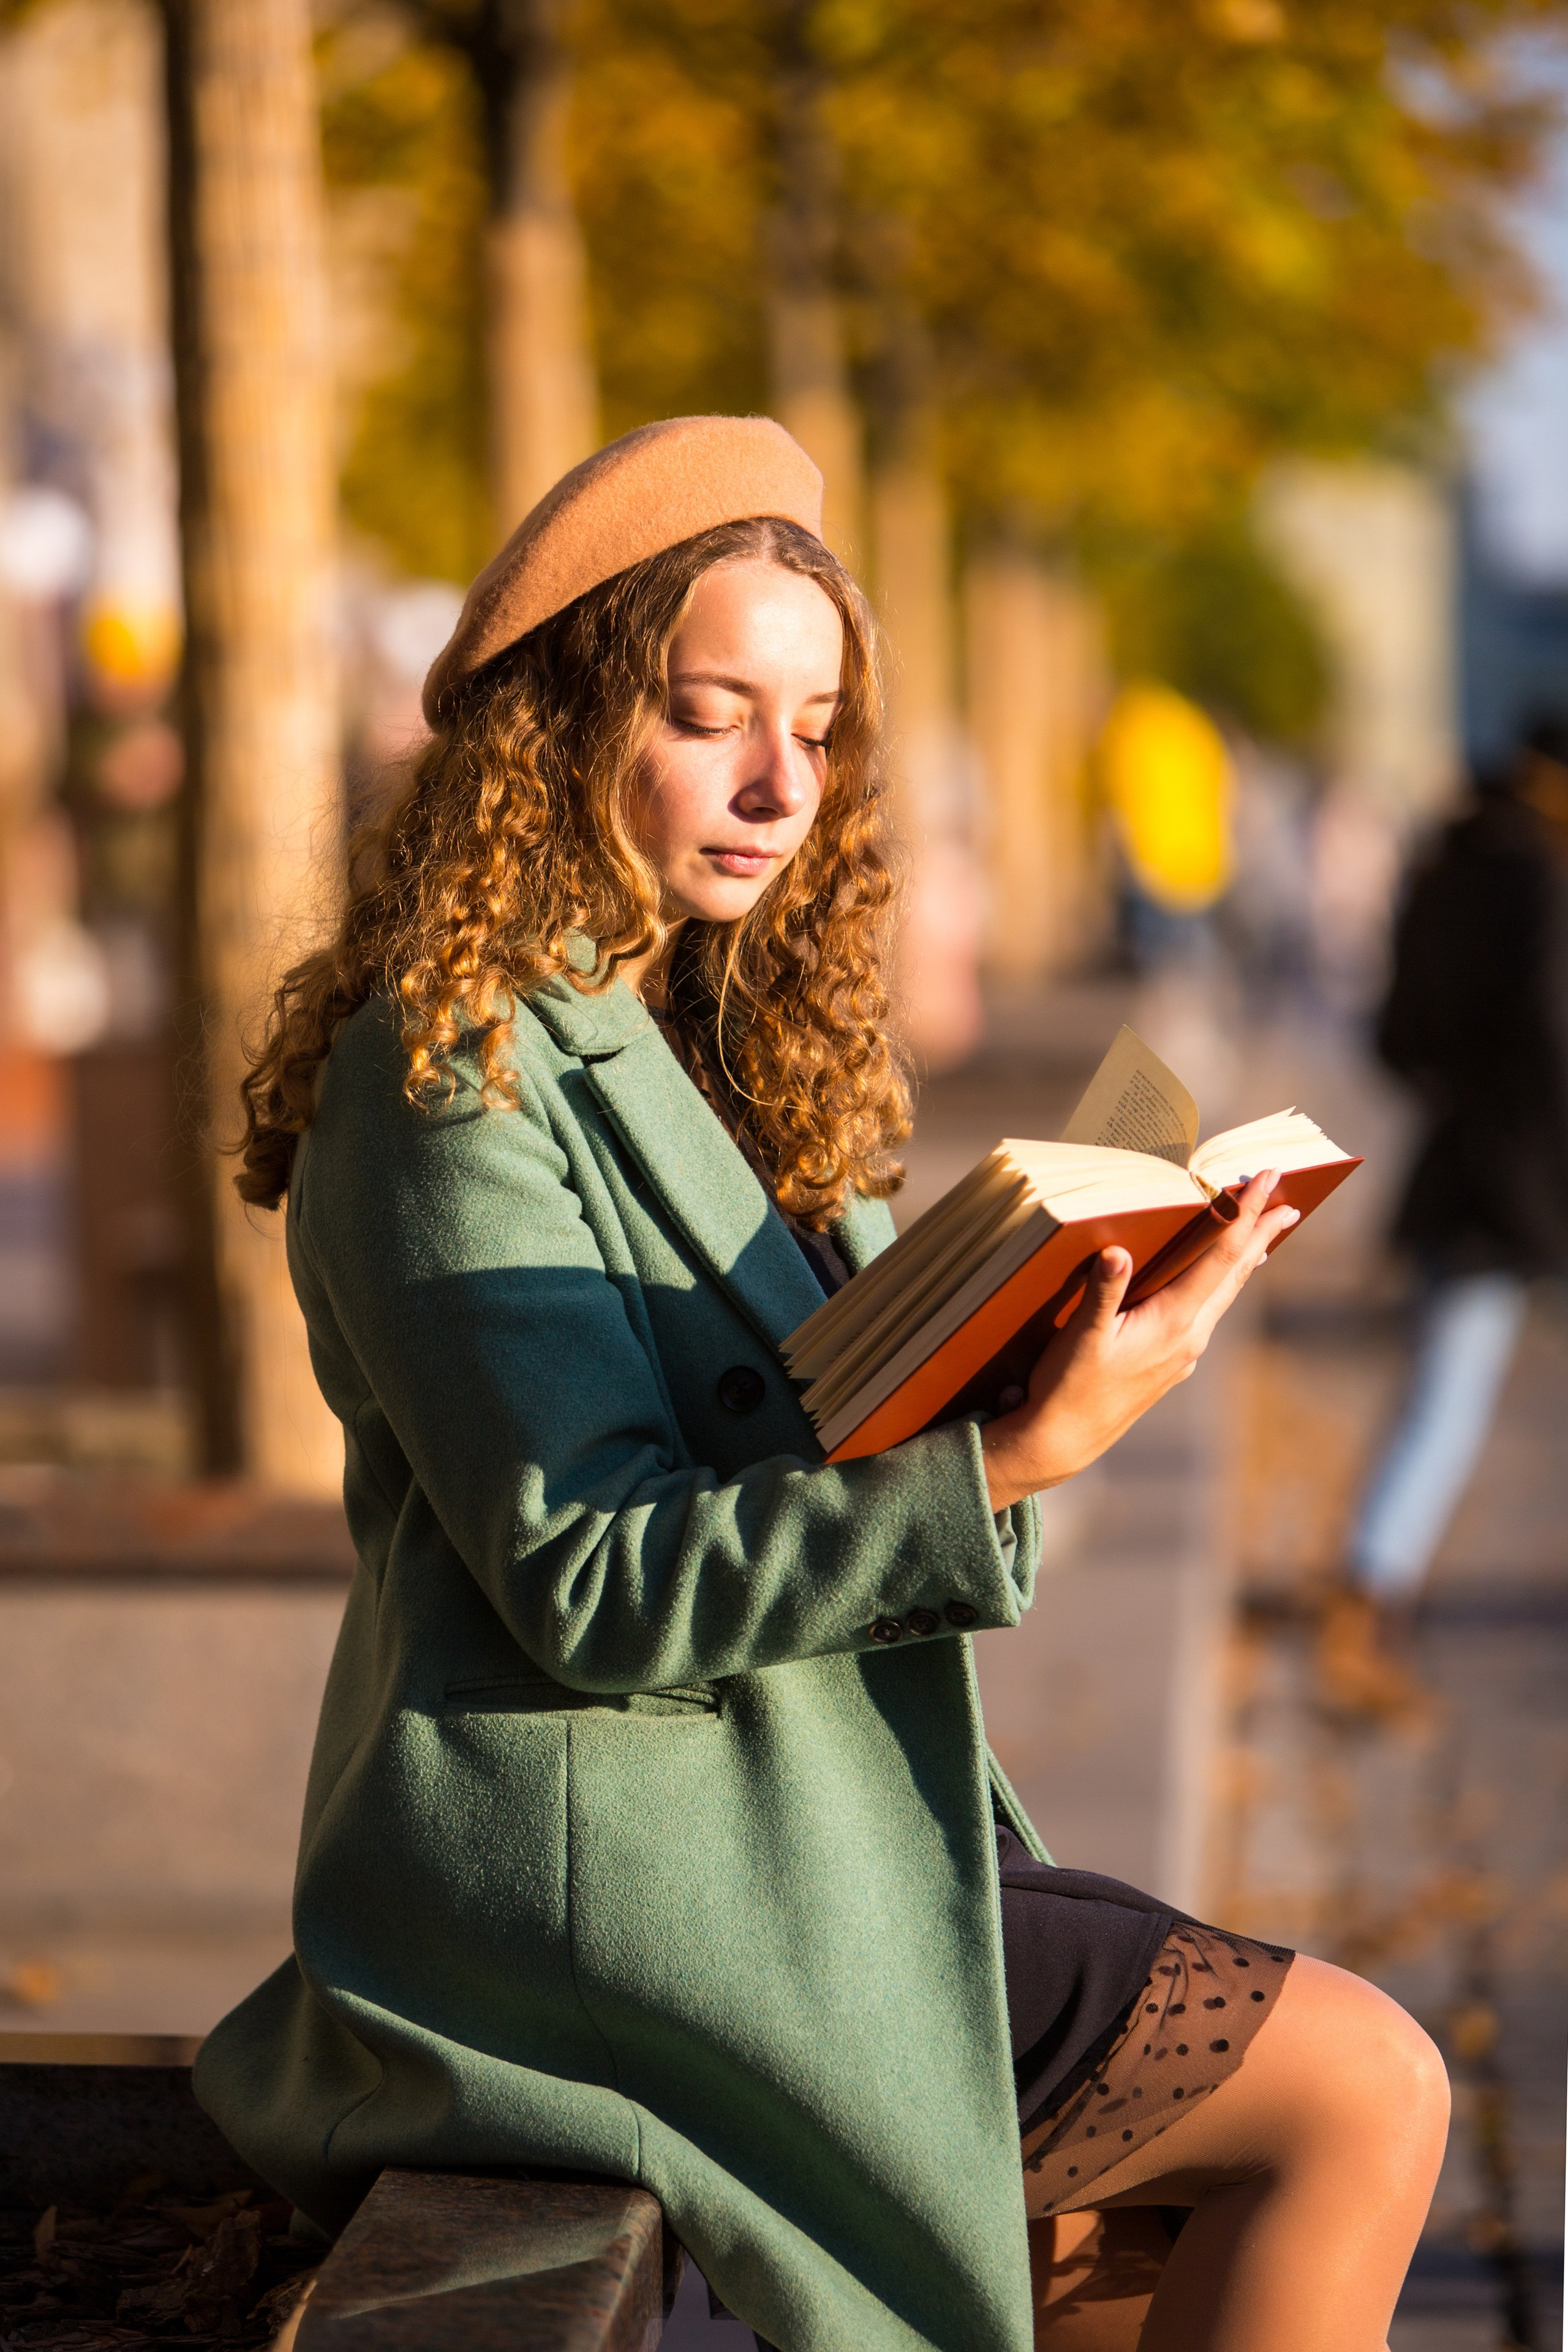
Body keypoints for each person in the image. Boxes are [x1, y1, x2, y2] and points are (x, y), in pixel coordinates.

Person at [194, 417, 1449, 2352]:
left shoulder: (714, 1029)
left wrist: (1039, 1346)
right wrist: (1005, 1461)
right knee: (1364, 2085)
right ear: (559, 728)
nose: (780, 785)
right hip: (615, 1882)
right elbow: (593, 1580)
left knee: (1127, 2256)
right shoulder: (451, 1077)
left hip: (783, 1812)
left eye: (819, 728)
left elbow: (834, 1453)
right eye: (711, 717)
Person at [1324, 721, 1568, 1713]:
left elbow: (1395, 1038)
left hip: (1457, 1171)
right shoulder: (1542, 881)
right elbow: (1553, 1040)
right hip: (1527, 1185)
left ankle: (1369, 1585)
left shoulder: (1441, 866)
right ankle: (1365, 1592)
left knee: (1441, 1391)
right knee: (1449, 1398)